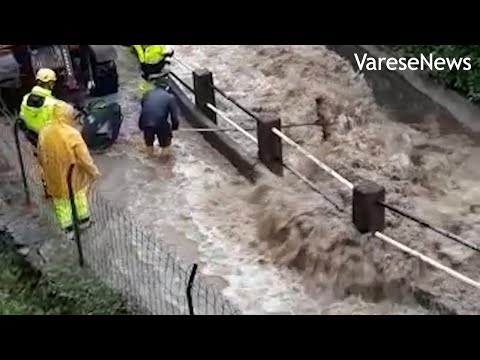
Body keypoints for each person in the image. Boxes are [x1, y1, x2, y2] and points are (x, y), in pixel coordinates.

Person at [37, 102, 100, 238]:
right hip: (73, 176)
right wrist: (93, 172)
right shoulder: (72, 134)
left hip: (53, 175)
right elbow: (85, 159)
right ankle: (84, 222)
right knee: (79, 196)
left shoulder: (44, 131)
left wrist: (44, 170)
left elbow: (40, 155)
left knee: (61, 203)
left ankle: (69, 231)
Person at [19, 68, 63, 150]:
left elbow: (22, 118)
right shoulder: (52, 104)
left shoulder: (26, 98)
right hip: (49, 141)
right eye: (53, 82)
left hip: (32, 138)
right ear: (50, 83)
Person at [139, 80, 180, 157]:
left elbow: (144, 110)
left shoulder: (147, 94)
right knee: (165, 146)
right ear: (167, 88)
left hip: (145, 122)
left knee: (149, 144)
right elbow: (174, 117)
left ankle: (149, 160)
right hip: (160, 123)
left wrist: (141, 126)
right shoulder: (170, 97)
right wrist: (174, 127)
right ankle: (162, 164)